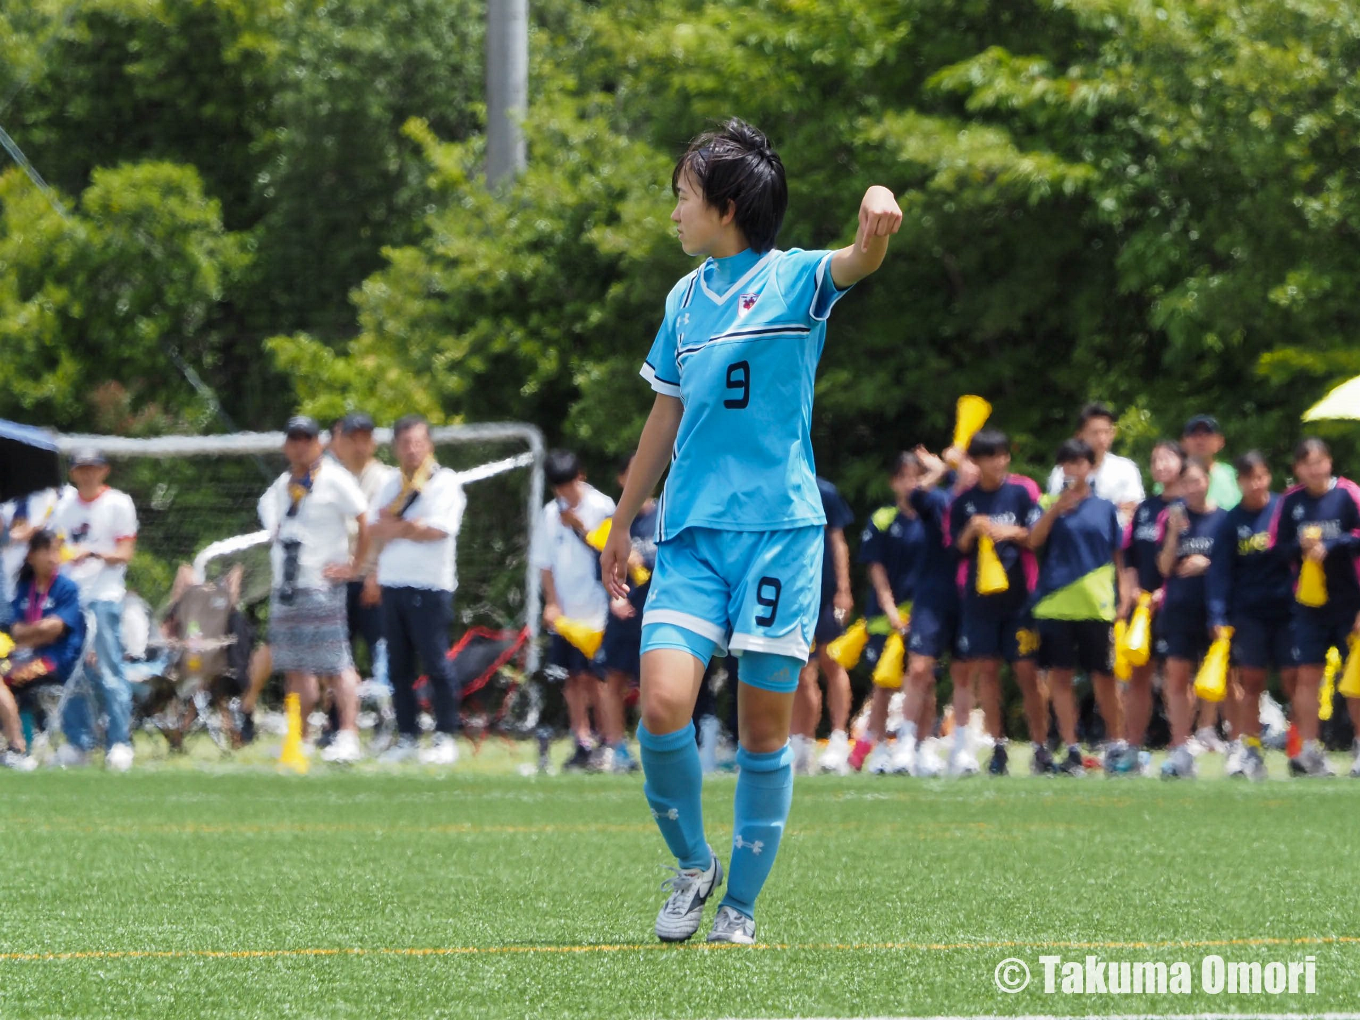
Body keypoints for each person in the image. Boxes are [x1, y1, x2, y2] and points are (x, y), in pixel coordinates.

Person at [600, 117, 901, 945]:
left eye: (683, 199)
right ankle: (695, 866)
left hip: (781, 535)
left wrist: (877, 212)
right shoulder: (683, 300)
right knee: (662, 707)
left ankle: (740, 909)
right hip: (692, 537)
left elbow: (859, 260)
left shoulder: (797, 279)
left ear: (726, 207)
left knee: (765, 729)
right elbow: (663, 419)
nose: (674, 215)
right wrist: (622, 525)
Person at [258, 416, 370, 764]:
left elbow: (365, 521)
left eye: (307, 439)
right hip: (288, 587)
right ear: (285, 445)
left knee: (336, 664)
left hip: (322, 587)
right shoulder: (279, 488)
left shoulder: (335, 480)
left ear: (319, 443)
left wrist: (355, 567)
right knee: (295, 667)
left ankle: (349, 734)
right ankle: (300, 737)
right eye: (294, 439)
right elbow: (275, 528)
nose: (300, 445)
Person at [366, 414, 468, 766]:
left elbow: (439, 529)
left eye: (418, 443)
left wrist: (399, 526)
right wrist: (408, 527)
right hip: (392, 584)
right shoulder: (391, 484)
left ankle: (445, 736)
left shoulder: (445, 482)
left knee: (436, 662)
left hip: (430, 585)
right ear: (396, 447)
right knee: (398, 667)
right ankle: (407, 735)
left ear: (430, 445)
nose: (412, 450)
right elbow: (375, 528)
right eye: (405, 443)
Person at [948, 428, 1046, 777]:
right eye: (991, 456)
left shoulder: (1021, 494)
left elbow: (1036, 536)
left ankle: (1040, 746)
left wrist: (1011, 533)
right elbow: (955, 549)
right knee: (987, 672)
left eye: (1003, 454)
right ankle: (999, 746)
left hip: (1020, 598)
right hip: (979, 600)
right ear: (976, 461)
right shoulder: (964, 502)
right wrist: (971, 531)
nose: (1000, 461)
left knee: (1027, 672)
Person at [1029, 439, 1126, 775]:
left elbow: (1118, 555)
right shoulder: (1046, 503)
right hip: (1055, 603)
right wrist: (1055, 508)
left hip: (1096, 605)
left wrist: (1123, 595)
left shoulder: (1105, 508)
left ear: (1091, 467)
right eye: (1066, 463)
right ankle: (1071, 747)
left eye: (1079, 463)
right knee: (1060, 676)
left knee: (1104, 676)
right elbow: (1032, 541)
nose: (1072, 469)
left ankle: (1116, 745)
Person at [1270, 438, 1360, 778]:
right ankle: (1308, 750)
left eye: (1319, 462)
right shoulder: (1291, 501)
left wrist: (1334, 544)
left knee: (1356, 678)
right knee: (1307, 675)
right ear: (1297, 469)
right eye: (1306, 464)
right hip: (1309, 603)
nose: (1314, 469)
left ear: (1330, 463)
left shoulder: (1349, 494)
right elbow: (1277, 549)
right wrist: (1300, 548)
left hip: (1350, 600)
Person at [1206, 451, 1296, 781]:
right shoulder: (1231, 521)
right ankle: (1251, 748)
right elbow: (1220, 572)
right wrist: (1217, 614)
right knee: (1252, 680)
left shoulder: (1283, 510)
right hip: (1249, 613)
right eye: (1247, 479)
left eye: (1259, 477)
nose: (1254, 484)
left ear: (1267, 476)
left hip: (1288, 611)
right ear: (1239, 482)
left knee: (1293, 679)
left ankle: (1299, 748)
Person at [889, 447, 975, 776]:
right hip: (932, 595)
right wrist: (939, 470)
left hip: (968, 595)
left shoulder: (984, 503)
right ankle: (908, 744)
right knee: (919, 668)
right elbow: (914, 495)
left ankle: (962, 747)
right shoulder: (938, 500)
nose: (969, 469)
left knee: (964, 672)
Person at [50, 449, 138, 771]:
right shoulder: (64, 506)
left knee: (110, 669)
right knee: (72, 671)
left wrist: (93, 552)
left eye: (93, 468)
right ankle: (79, 742)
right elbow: (56, 549)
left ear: (104, 470)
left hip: (104, 594)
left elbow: (125, 551)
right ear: (73, 473)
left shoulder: (118, 503)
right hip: (71, 598)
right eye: (81, 468)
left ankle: (119, 742)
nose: (87, 474)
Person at [532, 449, 616, 771]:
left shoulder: (603, 506)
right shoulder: (549, 514)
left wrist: (579, 526)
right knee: (573, 679)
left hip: (598, 608)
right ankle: (581, 741)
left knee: (600, 679)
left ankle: (610, 744)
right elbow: (545, 564)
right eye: (558, 488)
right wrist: (551, 603)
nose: (564, 493)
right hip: (567, 613)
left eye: (568, 485)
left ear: (580, 475)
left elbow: (610, 551)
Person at [849, 452, 928, 775]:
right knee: (883, 684)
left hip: (924, 612)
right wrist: (892, 610)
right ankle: (880, 747)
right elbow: (877, 572)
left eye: (917, 476)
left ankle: (922, 748)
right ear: (893, 482)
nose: (911, 483)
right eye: (904, 477)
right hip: (887, 616)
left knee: (925, 680)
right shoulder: (882, 519)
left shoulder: (932, 516)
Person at [1115, 439, 1186, 773]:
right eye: (1155, 460)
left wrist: (1165, 593)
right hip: (1141, 606)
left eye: (1167, 459)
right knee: (1138, 677)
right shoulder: (1145, 508)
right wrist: (1129, 590)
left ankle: (1179, 750)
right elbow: (1128, 554)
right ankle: (1132, 749)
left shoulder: (1189, 507)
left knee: (1176, 677)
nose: (1160, 466)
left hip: (1176, 604)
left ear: (1182, 464)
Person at [1156, 458, 1228, 779]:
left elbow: (1232, 566)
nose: (1193, 488)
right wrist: (1172, 534)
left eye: (1198, 481)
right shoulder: (1172, 517)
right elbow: (1163, 567)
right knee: (1177, 675)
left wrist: (1206, 563)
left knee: (1221, 676)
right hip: (1180, 607)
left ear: (1208, 481)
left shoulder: (1224, 520)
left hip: (1214, 607)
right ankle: (1180, 743)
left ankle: (1217, 734)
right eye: (1187, 483)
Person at [1, 530, 85, 770]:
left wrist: (30, 633)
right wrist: (36, 632)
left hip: (54, 660)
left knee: (6, 680)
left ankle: (18, 746)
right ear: (31, 556)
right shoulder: (24, 588)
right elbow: (14, 630)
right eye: (46, 551)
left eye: (56, 551)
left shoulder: (66, 588)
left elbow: (55, 629)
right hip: (23, 657)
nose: (53, 557)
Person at [790, 476, 856, 775]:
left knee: (833, 661)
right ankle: (801, 743)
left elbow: (838, 541)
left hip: (826, 593)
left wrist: (844, 588)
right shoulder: (777, 485)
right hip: (792, 592)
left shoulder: (824, 490)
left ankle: (840, 737)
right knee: (802, 672)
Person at [597, 454, 656, 774]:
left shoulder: (666, 516)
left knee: (653, 682)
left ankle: (654, 747)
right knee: (614, 679)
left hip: (656, 612)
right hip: (622, 615)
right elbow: (602, 567)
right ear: (622, 480)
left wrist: (641, 564)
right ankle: (616, 747)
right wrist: (614, 596)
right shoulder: (615, 521)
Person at [330, 412, 396, 693]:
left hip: (372, 577)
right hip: (336, 580)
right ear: (339, 441)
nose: (359, 445)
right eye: (352, 438)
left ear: (373, 443)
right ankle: (335, 724)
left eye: (365, 439)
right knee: (334, 656)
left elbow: (391, 532)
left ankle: (386, 718)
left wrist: (378, 574)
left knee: (381, 650)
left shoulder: (387, 479)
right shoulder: (328, 477)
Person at [1045, 403, 1145, 523]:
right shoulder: (1061, 472)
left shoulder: (1126, 469)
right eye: (1095, 433)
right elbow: (1056, 509)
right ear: (1079, 435)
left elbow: (1131, 510)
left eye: (1106, 432)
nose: (1101, 439)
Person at [1182, 415, 1240, 511]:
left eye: (1207, 434)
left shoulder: (1234, 476)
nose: (1200, 440)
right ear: (1184, 442)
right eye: (1194, 435)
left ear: (1220, 441)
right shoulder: (1174, 477)